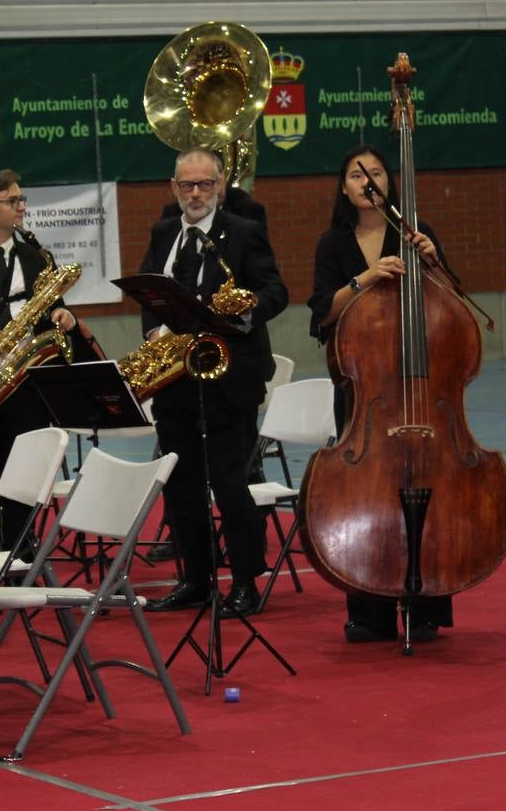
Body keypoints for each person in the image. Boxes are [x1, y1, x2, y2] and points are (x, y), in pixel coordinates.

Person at [306, 144, 455, 644]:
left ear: (390, 181)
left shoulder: (417, 234)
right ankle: (369, 608)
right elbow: (322, 312)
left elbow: (450, 308)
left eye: (375, 172)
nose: (367, 180)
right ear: (344, 188)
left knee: (429, 479)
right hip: (362, 389)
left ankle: (427, 601)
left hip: (418, 386)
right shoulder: (333, 244)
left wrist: (434, 263)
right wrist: (366, 278)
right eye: (356, 174)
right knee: (364, 493)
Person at [139, 148, 287, 616]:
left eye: (205, 184)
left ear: (220, 185)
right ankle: (196, 581)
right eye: (188, 186)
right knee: (180, 486)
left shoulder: (242, 233)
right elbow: (149, 289)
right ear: (174, 187)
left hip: (228, 380)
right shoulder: (165, 232)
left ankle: (244, 583)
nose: (196, 193)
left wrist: (242, 308)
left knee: (229, 484)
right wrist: (154, 331)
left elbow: (275, 291)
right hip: (175, 380)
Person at [0, 168, 76, 552]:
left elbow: (53, 309)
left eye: (21, 199)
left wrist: (63, 316)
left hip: (25, 383)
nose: (22, 207)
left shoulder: (37, 258)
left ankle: (22, 552)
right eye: (13, 200)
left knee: (25, 476)